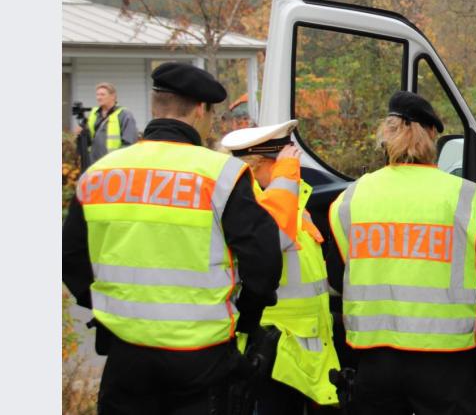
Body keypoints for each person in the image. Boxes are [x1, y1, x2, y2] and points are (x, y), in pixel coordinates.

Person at [62, 62, 285, 414]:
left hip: (126, 354)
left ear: (155, 106)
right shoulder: (221, 173)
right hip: (201, 359)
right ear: (200, 111)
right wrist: (247, 318)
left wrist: (104, 305)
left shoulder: (100, 173)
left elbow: (70, 257)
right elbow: (264, 259)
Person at [327, 91, 476, 415]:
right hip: (444, 367)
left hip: (374, 363)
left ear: (387, 137)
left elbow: (337, 276)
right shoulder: (462, 197)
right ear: (431, 137)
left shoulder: (352, 198)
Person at [221, 121, 341, 414]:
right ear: (258, 164)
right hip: (270, 349)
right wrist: (285, 181)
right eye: (284, 162)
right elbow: (271, 239)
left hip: (300, 350)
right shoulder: (252, 205)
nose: (293, 170)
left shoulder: (289, 204)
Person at [84, 82, 138, 165]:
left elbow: (129, 144)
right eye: (97, 95)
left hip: (114, 165)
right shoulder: (93, 113)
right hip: (94, 164)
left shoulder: (124, 115)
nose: (98, 98)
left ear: (113, 96)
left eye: (102, 95)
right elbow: (89, 140)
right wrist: (82, 132)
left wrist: (117, 161)